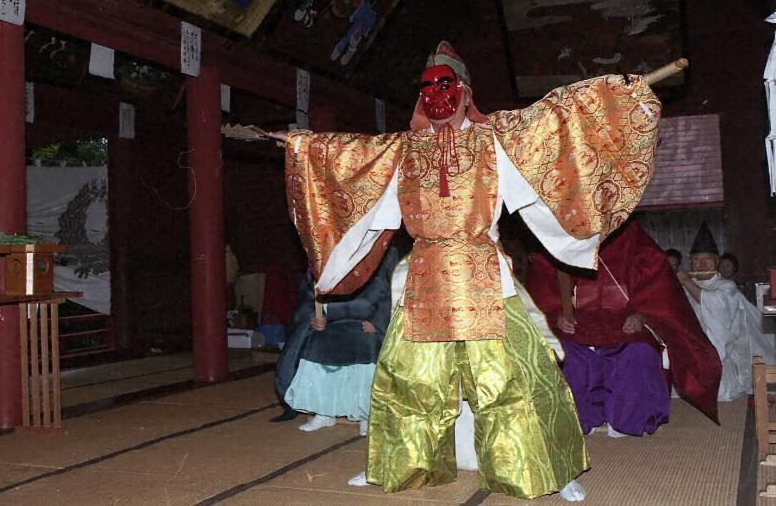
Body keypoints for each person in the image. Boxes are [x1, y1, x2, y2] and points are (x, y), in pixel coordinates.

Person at [273, 41, 665, 501]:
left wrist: (616, 97)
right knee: (411, 379)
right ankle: (397, 463)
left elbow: (557, 120)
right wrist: (300, 144)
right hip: (425, 276)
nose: (437, 96)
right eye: (427, 88)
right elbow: (348, 154)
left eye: (446, 85)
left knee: (512, 377)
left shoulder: (495, 140)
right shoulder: (402, 150)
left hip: (483, 274)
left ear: (464, 92)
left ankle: (546, 469)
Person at [526, 220, 721, 439]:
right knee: (565, 353)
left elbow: (659, 289)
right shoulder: (564, 236)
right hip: (578, 324)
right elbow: (542, 292)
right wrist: (557, 315)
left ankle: (627, 419)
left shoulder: (632, 236)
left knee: (639, 351)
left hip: (626, 321)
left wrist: (641, 315)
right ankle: (580, 418)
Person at [271, 244, 399, 434]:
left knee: (366, 350)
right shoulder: (324, 247)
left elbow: (393, 289)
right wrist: (314, 317)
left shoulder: (383, 248)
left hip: (365, 322)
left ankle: (366, 414)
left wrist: (379, 321)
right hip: (332, 321)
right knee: (316, 346)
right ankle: (324, 412)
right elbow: (311, 293)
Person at [677, 223, 776, 401]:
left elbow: (715, 305)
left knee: (717, 391)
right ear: (691, 261)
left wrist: (687, 282)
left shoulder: (726, 286)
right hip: (689, 349)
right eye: (697, 259)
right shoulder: (684, 287)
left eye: (707, 259)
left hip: (720, 354)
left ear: (716, 262)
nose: (701, 264)